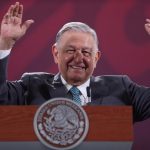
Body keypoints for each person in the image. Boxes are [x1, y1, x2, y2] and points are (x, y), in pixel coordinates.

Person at [0, 2, 150, 123]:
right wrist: (4, 46)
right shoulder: (32, 86)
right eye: (70, 51)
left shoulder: (122, 88)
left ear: (96, 58)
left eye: (86, 52)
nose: (78, 59)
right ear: (56, 53)